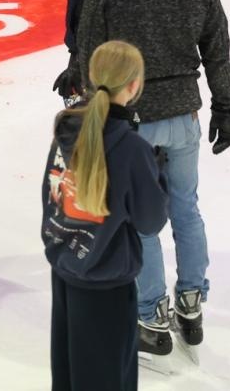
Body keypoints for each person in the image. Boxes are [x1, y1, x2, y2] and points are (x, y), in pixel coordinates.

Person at [75, 0, 230, 359]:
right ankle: (191, 300)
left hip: (133, 120)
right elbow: (217, 45)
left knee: (140, 220)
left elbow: (89, 56)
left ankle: (151, 312)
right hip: (184, 115)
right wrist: (223, 105)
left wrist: (95, 110)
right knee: (186, 208)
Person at [42, 40, 167, 391]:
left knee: (69, 375)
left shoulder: (66, 131)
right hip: (107, 286)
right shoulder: (132, 149)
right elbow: (150, 221)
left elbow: (50, 196)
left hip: (67, 272)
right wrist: (158, 181)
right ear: (134, 85)